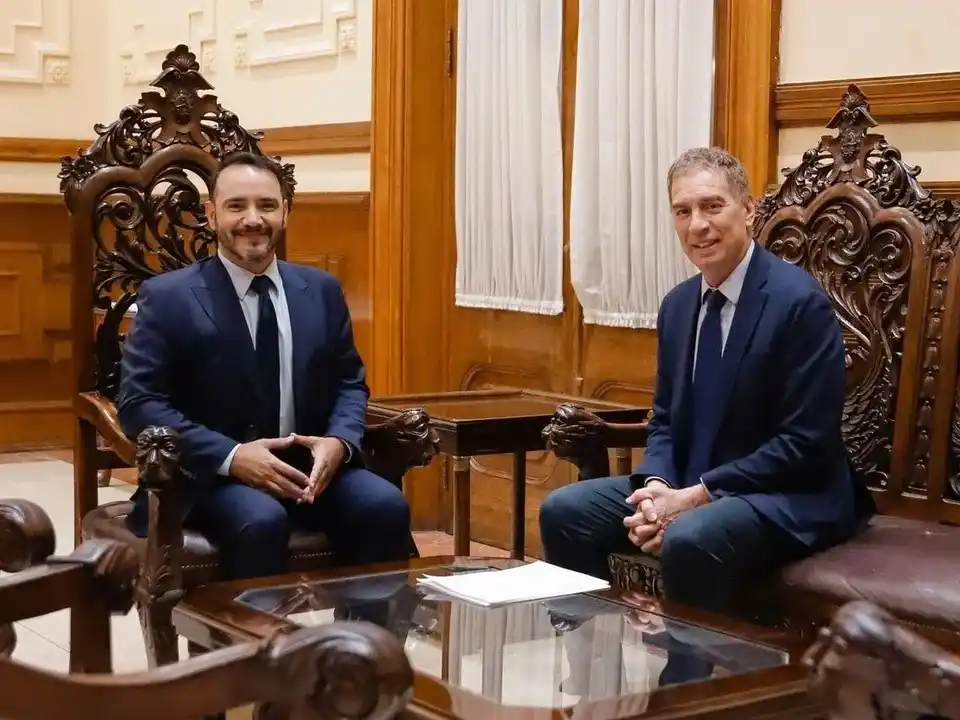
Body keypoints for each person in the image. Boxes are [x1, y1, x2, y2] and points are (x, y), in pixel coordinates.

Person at [539, 146, 874, 622]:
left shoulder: (799, 303)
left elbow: (805, 445)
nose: (698, 224)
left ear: (749, 210)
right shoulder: (678, 306)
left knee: (692, 536)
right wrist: (657, 488)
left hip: (788, 494)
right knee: (565, 510)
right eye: (683, 210)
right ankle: (587, 664)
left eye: (712, 206)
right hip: (694, 484)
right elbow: (666, 420)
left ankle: (690, 688)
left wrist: (695, 498)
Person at [117, 151, 412, 580]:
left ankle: (360, 646)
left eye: (267, 205)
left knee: (385, 507)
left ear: (285, 213)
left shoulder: (321, 290)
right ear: (211, 214)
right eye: (237, 206)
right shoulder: (168, 297)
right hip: (210, 476)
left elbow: (350, 383)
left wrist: (340, 442)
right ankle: (242, 648)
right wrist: (233, 456)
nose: (252, 219)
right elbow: (140, 404)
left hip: (311, 469)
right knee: (261, 520)